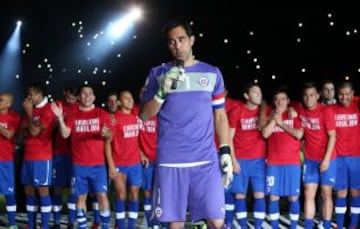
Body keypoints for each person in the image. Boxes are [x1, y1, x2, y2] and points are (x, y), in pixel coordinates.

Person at [139, 17, 232, 229]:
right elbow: (144, 115)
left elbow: (220, 116)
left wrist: (225, 151)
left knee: (217, 222)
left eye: (181, 39)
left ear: (192, 40)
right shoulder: (157, 74)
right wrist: (162, 92)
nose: (177, 46)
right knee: (175, 225)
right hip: (171, 160)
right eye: (172, 41)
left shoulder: (212, 73)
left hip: (205, 159)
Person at [50, 84, 115, 229]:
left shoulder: (101, 113)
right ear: (79, 97)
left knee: (102, 196)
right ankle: (83, 227)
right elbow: (65, 134)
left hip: (98, 165)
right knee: (81, 197)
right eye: (84, 93)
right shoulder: (73, 114)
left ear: (94, 97)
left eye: (90, 93)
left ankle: (104, 226)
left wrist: (107, 134)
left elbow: (109, 136)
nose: (87, 95)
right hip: (79, 165)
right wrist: (60, 118)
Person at [294, 81, 336, 229]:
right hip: (310, 159)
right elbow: (283, 104)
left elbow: (332, 136)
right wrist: (292, 111)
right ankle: (309, 225)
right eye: (305, 95)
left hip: (328, 159)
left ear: (318, 96)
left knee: (326, 193)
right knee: (308, 193)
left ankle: (326, 225)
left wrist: (326, 160)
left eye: (312, 95)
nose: (308, 98)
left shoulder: (326, 111)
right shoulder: (300, 109)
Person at [261, 86, 304, 229]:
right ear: (274, 101)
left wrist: (281, 123)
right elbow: (265, 134)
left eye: (283, 99)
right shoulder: (269, 114)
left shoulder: (294, 115)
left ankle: (292, 226)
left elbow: (299, 134)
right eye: (277, 99)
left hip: (292, 163)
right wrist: (275, 120)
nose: (280, 102)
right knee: (273, 197)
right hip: (273, 163)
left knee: (293, 197)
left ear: (288, 101)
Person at [227, 82, 267, 229]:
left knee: (259, 195)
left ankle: (258, 226)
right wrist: (233, 160)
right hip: (240, 160)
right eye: (255, 92)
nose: (259, 95)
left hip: (259, 160)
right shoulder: (237, 111)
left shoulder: (265, 110)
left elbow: (281, 107)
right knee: (239, 195)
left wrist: (291, 111)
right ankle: (243, 226)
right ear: (246, 96)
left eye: (260, 92)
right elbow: (229, 138)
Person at [20, 81, 57, 229]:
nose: (28, 97)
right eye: (28, 94)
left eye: (31, 94)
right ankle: (31, 223)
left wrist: (29, 114)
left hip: (42, 157)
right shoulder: (31, 109)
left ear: (40, 94)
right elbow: (21, 133)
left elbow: (34, 132)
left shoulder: (48, 110)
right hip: (27, 156)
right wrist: (29, 120)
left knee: (43, 190)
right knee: (28, 190)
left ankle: (46, 225)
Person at [110, 90, 142, 229]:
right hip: (119, 163)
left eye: (131, 97)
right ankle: (121, 226)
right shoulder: (114, 118)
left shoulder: (136, 114)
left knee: (135, 194)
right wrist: (111, 165)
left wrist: (142, 154)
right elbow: (107, 143)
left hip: (135, 163)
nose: (130, 100)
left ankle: (132, 226)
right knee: (120, 196)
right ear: (119, 102)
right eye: (126, 98)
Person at [331, 81, 360, 229]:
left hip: (356, 156)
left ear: (353, 94)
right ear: (337, 94)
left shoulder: (357, 106)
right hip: (339, 157)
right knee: (340, 192)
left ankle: (353, 225)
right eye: (341, 94)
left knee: (356, 191)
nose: (344, 97)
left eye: (347, 94)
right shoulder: (331, 109)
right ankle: (341, 225)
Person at [51, 81, 79, 229]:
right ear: (64, 93)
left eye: (74, 99)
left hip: (76, 155)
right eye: (69, 98)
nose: (71, 101)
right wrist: (57, 119)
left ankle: (71, 222)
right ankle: (56, 222)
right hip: (59, 153)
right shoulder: (57, 105)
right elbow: (48, 128)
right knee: (57, 188)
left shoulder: (80, 108)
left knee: (73, 189)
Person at [0, 92, 21, 229]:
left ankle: (12, 223)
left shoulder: (14, 117)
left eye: (1, 100)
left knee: (9, 192)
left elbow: (8, 134)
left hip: (5, 160)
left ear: (9, 103)